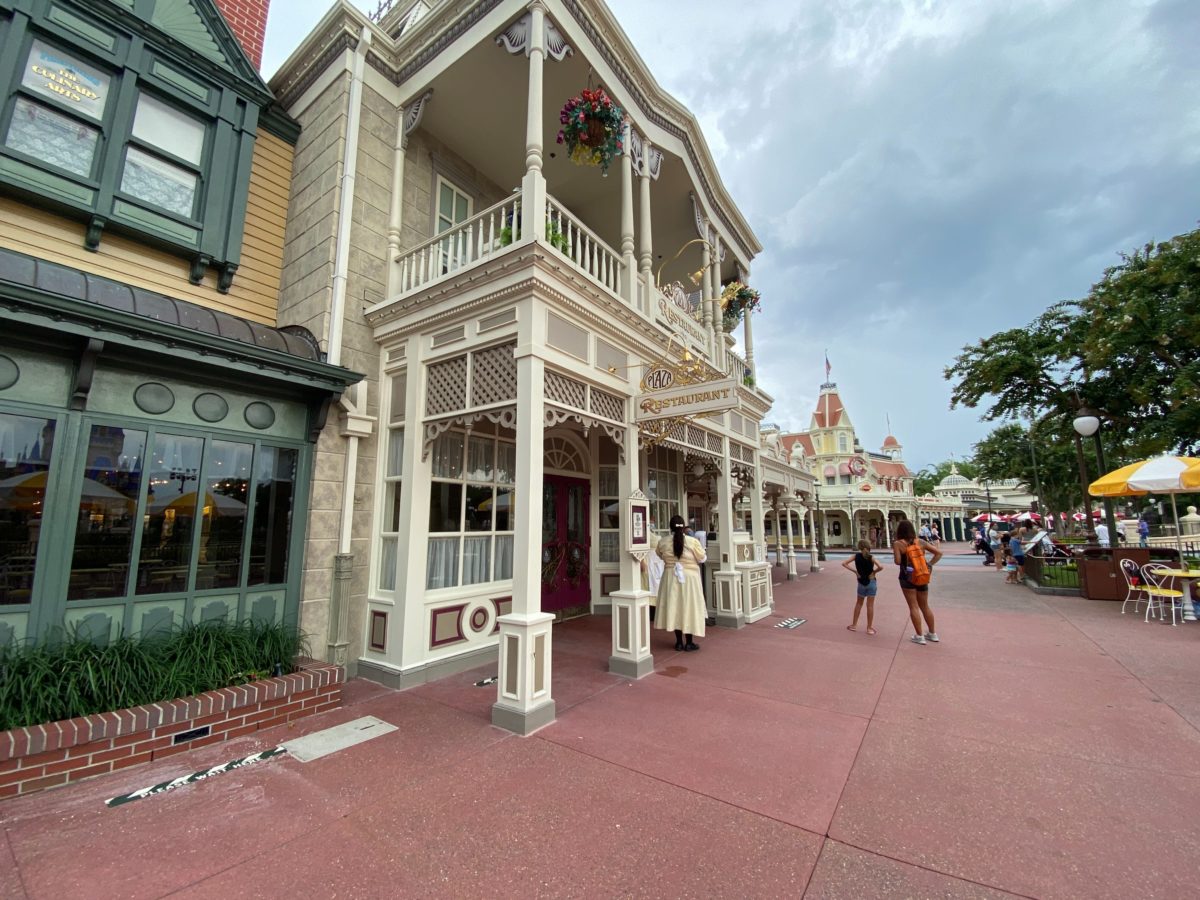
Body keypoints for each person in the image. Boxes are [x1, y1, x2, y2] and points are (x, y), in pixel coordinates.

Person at [655, 514, 707, 651]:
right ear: (684, 527)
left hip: (671, 576)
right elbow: (702, 558)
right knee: (689, 607)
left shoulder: (663, 542)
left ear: (670, 527)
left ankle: (678, 642)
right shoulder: (692, 541)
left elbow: (659, 555)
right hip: (689, 578)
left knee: (675, 607)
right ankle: (689, 642)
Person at [893, 520, 942, 644]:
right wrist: (929, 564)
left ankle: (919, 636)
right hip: (922, 575)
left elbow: (898, 562)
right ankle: (932, 633)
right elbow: (939, 553)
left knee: (913, 606)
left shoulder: (898, 544)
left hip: (907, 577)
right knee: (925, 606)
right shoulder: (920, 542)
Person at [842, 539, 882, 635]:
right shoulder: (871, 557)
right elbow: (881, 566)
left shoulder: (856, 556)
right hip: (871, 582)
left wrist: (855, 572)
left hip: (861, 582)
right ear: (868, 547)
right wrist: (874, 572)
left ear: (860, 547)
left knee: (859, 604)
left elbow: (844, 563)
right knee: (870, 606)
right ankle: (869, 628)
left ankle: (854, 625)